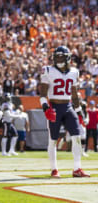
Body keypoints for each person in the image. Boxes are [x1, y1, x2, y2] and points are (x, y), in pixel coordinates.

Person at [40, 46, 90, 178]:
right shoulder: (48, 70)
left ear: (68, 58)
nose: (58, 59)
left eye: (61, 56)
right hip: (54, 106)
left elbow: (74, 96)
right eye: (57, 56)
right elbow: (42, 93)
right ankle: (54, 169)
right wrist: (45, 106)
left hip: (68, 107)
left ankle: (77, 168)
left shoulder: (74, 72)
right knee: (53, 140)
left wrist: (79, 111)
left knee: (77, 136)